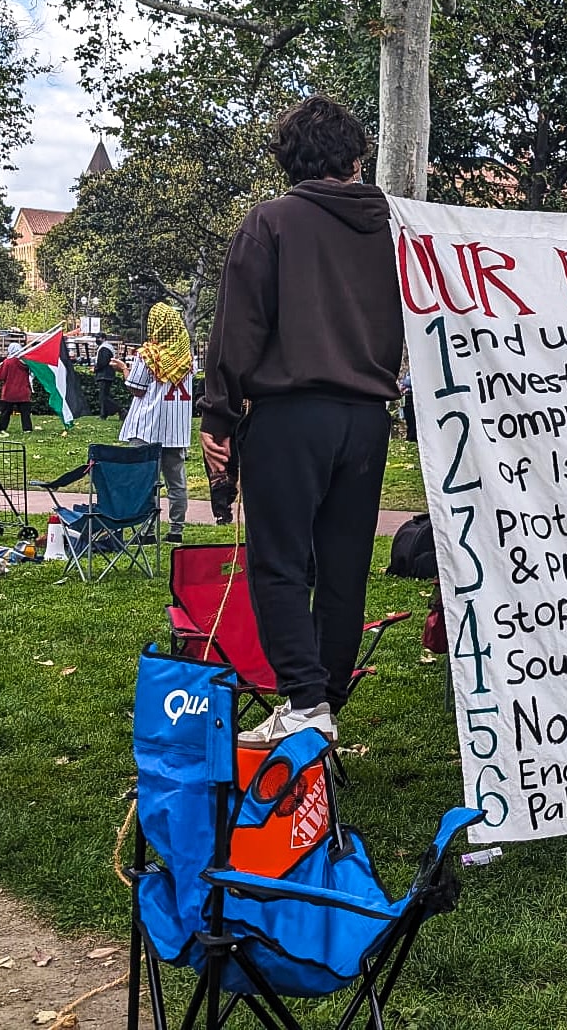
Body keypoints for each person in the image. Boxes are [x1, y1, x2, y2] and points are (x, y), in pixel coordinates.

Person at [201, 95, 400, 747]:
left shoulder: (273, 222)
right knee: (344, 566)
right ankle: (325, 703)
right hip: (369, 418)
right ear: (355, 158)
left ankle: (306, 703)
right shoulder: (397, 229)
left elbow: (238, 329)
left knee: (280, 561)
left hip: (292, 415)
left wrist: (220, 415)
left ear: (289, 161)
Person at [121, 303, 195, 544]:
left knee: (146, 481)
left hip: (148, 428)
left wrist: (124, 369)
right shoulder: (187, 359)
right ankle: (176, 530)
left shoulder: (148, 356)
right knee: (177, 482)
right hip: (176, 429)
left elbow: (137, 389)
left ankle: (147, 531)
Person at [0, 343, 33, 434]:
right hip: (24, 391)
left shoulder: (8, 362)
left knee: (5, 412)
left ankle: (1, 428)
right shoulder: (26, 362)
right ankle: (27, 428)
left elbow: (1, 376)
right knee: (25, 413)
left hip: (9, 392)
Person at [93, 334, 120, 418]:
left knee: (104, 397)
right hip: (107, 374)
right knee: (104, 396)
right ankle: (103, 414)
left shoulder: (104, 348)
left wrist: (95, 368)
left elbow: (103, 362)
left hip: (104, 374)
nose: (97, 339)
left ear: (103, 338)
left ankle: (120, 410)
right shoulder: (107, 347)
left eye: (98, 338)